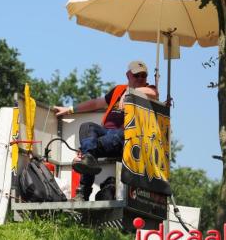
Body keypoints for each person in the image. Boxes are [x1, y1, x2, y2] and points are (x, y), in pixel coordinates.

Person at [54, 60, 158, 201]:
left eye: (143, 76)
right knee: (87, 127)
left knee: (92, 149)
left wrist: (131, 92)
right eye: (136, 75)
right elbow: (96, 103)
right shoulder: (118, 90)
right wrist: (70, 109)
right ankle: (88, 159)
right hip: (106, 133)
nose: (140, 79)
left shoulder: (146, 90)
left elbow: (154, 93)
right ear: (128, 75)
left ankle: (83, 191)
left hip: (127, 137)